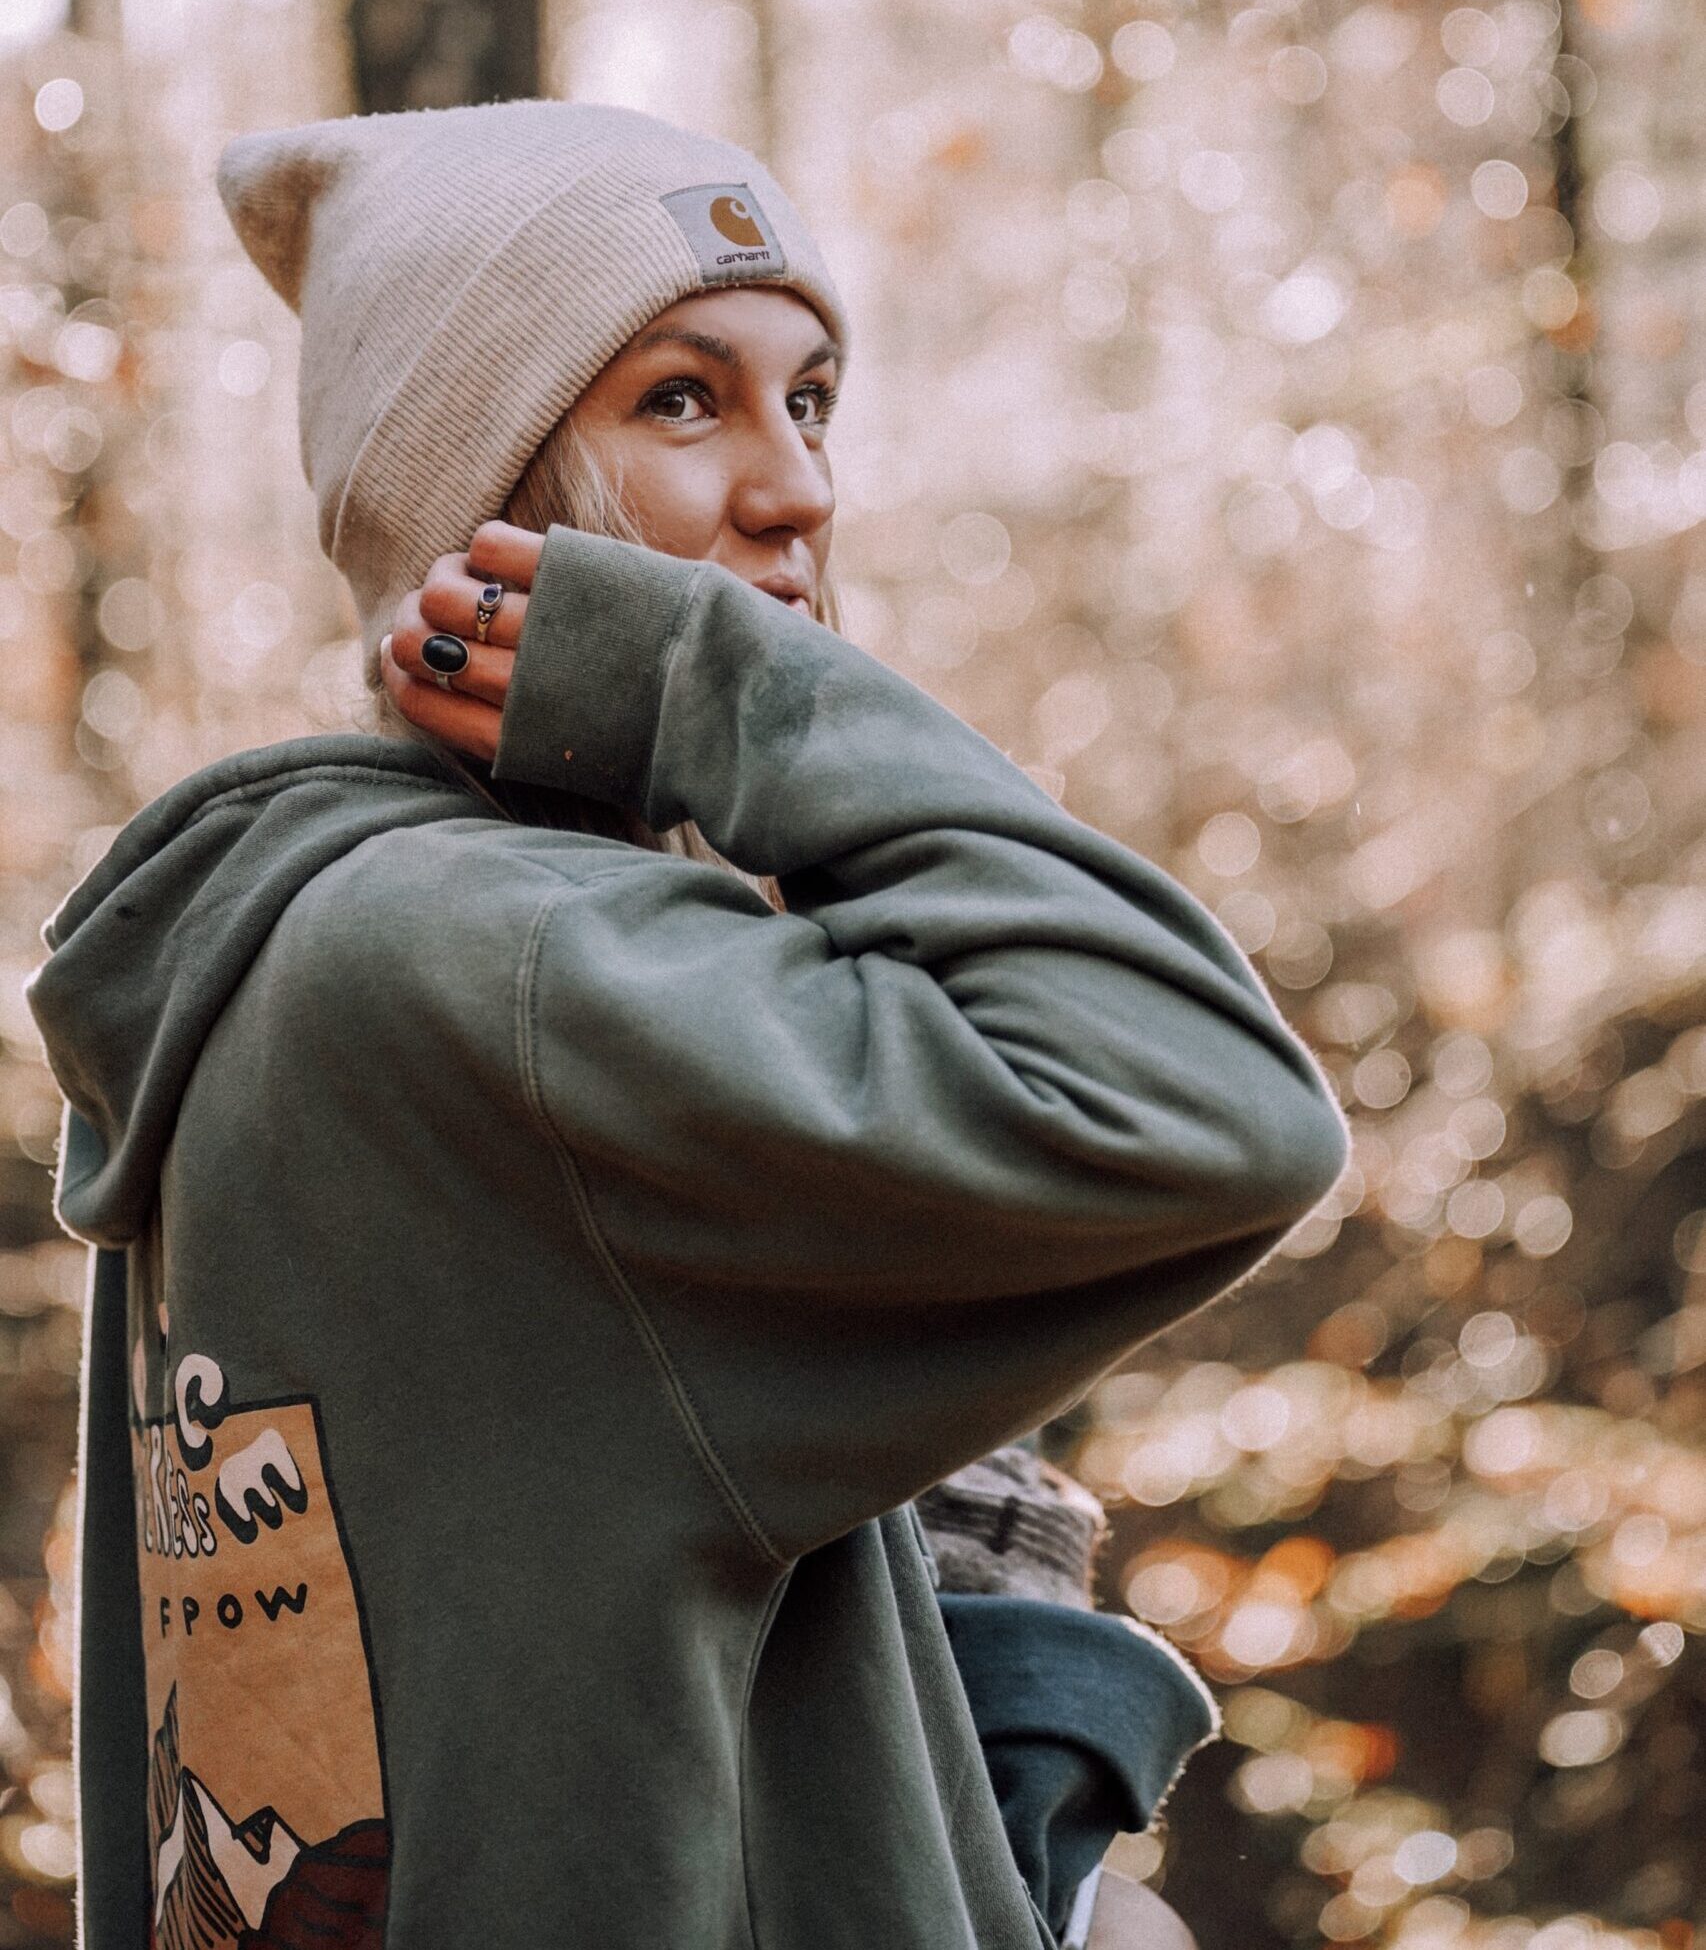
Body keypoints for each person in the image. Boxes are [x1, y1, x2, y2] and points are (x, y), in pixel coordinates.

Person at [27, 99, 1350, 1950]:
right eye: (679, 399)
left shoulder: (288, 936)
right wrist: (722, 690)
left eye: (810, 400)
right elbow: (1210, 1104)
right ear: (471, 500)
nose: (799, 484)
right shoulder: (504, 965)